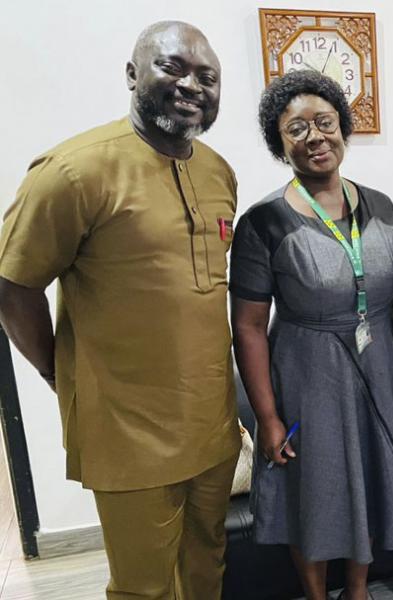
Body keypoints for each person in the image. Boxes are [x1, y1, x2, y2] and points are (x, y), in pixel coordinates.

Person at [0, 21, 240, 599]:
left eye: (207, 77)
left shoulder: (216, 170)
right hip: (128, 428)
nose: (191, 85)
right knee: (144, 587)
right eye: (173, 67)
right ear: (133, 74)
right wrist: (59, 373)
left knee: (206, 565)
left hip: (211, 421)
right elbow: (12, 286)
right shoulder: (72, 172)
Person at [230, 70, 393, 600]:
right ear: (279, 143)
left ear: (343, 128)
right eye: (296, 129)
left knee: (367, 479)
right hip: (306, 373)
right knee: (311, 491)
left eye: (325, 123)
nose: (315, 137)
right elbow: (247, 326)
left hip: (379, 366)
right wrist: (267, 417)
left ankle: (357, 590)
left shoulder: (381, 206)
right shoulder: (263, 222)